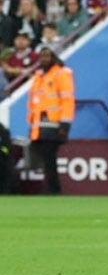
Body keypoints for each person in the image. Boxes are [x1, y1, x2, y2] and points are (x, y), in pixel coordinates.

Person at [27, 46, 75, 194]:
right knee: (46, 160)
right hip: (39, 127)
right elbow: (33, 102)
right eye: (41, 56)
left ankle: (53, 189)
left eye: (47, 56)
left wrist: (65, 124)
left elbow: (67, 99)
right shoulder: (39, 77)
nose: (43, 59)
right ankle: (51, 188)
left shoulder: (60, 74)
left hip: (54, 126)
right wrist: (31, 123)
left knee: (49, 159)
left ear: (53, 57)